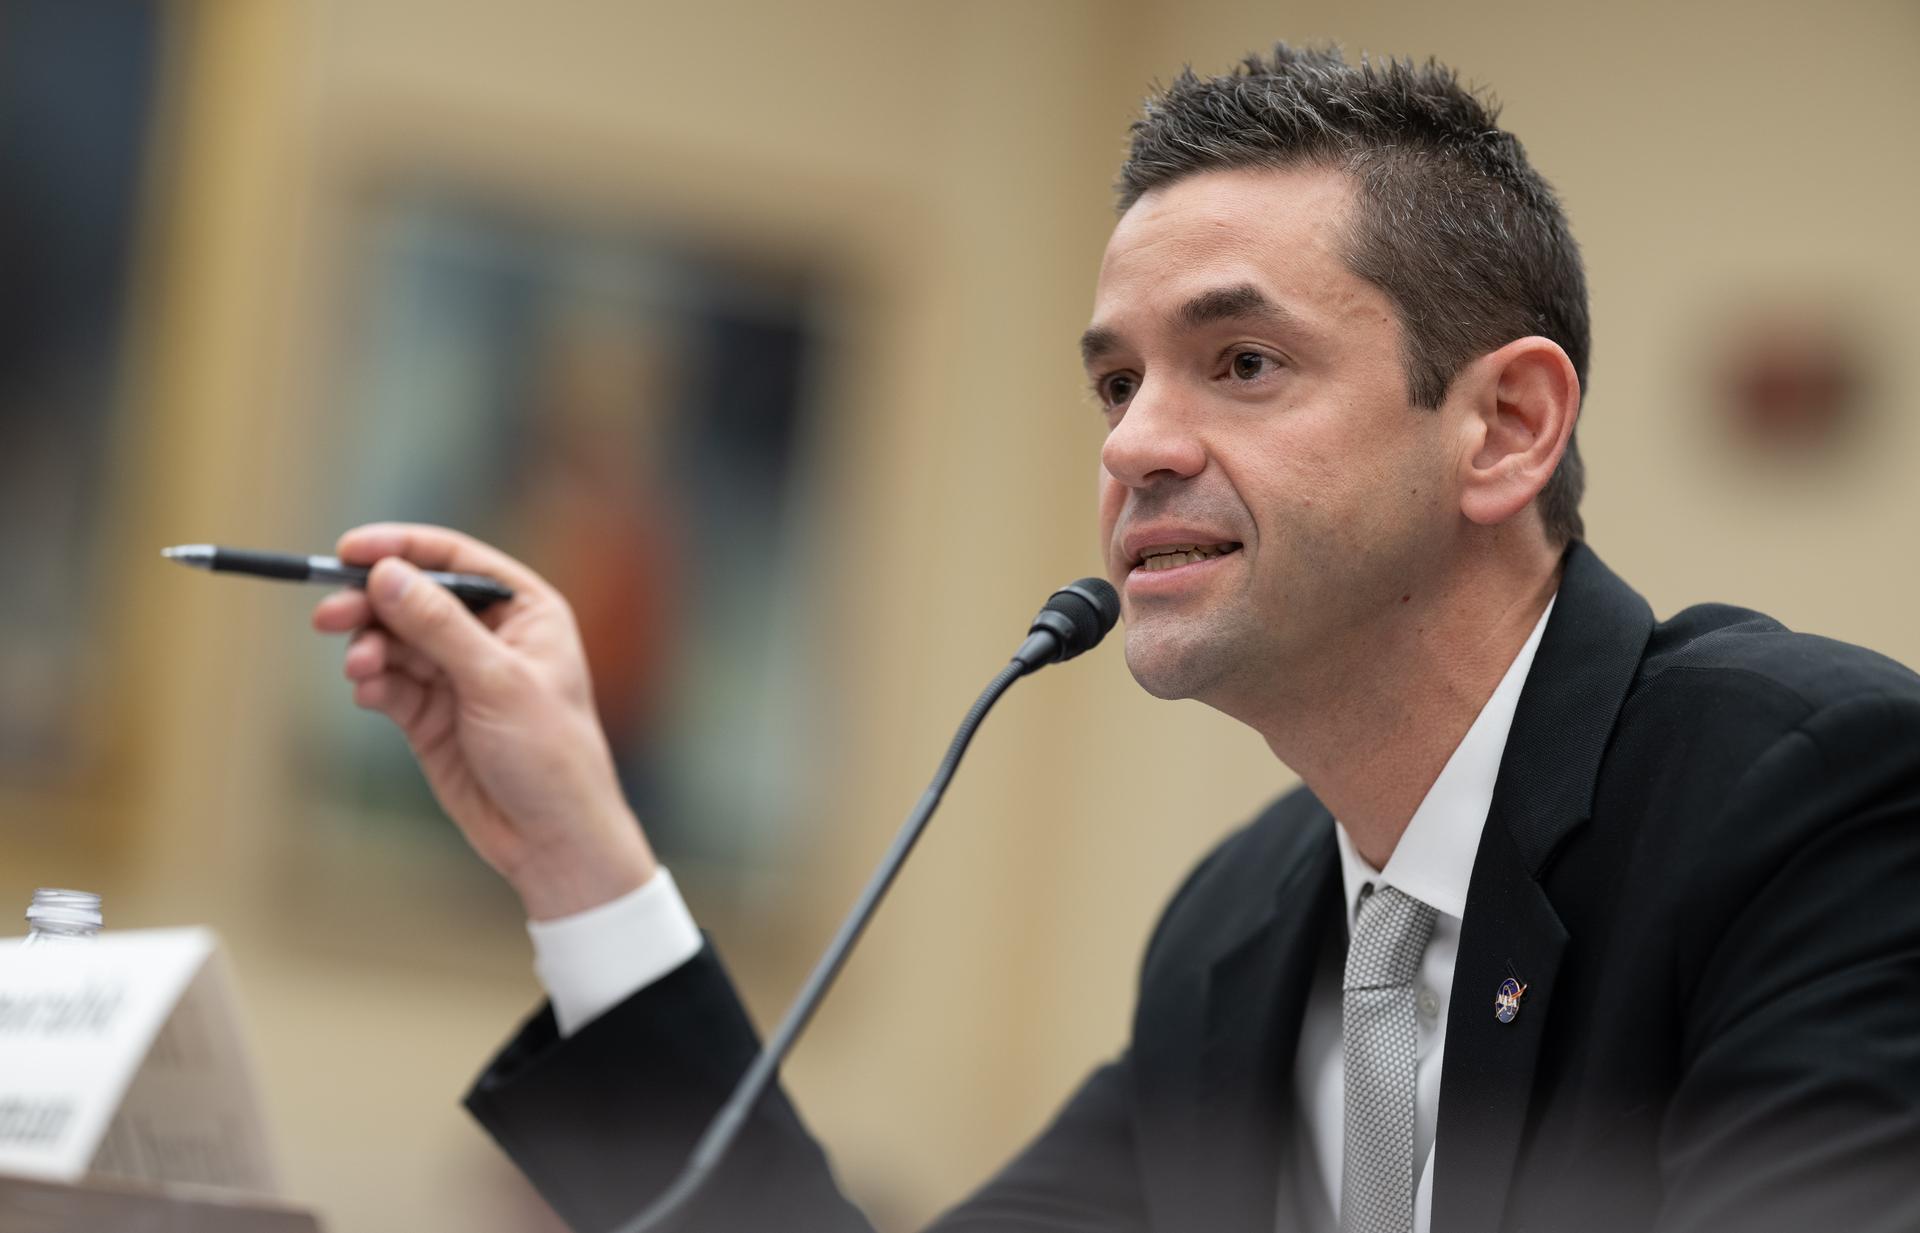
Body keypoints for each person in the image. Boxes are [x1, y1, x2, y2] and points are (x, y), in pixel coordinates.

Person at [310, 45, 1920, 1233]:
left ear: (1503, 428)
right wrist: (575, 852)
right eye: (1115, 381)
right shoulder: (1239, 934)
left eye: (1241, 362)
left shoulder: (1805, 800)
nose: (1136, 442)